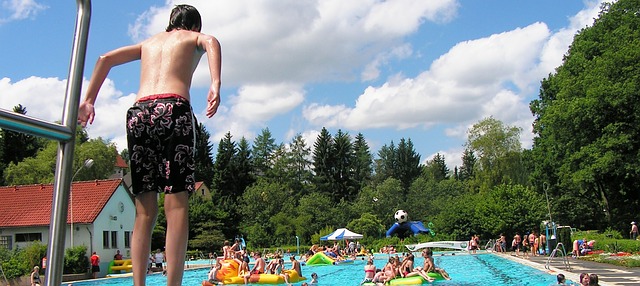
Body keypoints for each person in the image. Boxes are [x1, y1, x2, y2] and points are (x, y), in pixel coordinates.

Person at [77, 4, 221, 286]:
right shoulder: (192, 37)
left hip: (139, 114)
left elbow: (105, 58)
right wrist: (215, 82)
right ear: (194, 26)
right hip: (173, 108)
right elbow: (212, 42)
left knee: (144, 210)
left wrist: (89, 99)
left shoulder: (148, 43)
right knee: (176, 205)